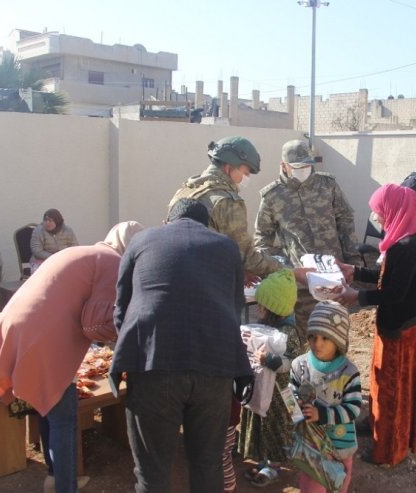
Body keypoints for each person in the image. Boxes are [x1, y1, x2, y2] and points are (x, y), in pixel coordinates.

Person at [0, 221, 144, 493]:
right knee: (64, 418)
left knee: (47, 408)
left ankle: (54, 477)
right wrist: (129, 330)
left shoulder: (87, 252)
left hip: (14, 324)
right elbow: (93, 324)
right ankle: (65, 486)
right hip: (43, 337)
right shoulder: (112, 262)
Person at [110, 199, 253, 493]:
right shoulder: (226, 247)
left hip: (153, 363)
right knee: (208, 464)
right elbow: (235, 308)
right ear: (206, 227)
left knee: (152, 472)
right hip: (215, 367)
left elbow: (121, 312)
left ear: (166, 222)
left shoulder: (141, 241)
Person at [336, 184, 416, 466]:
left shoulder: (405, 247)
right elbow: (392, 278)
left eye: (380, 212)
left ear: (394, 210)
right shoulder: (406, 239)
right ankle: (374, 423)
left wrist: (357, 296)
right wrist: (356, 271)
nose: (378, 218)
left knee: (392, 392)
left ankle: (387, 448)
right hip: (397, 326)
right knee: (381, 382)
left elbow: (394, 292)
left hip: (398, 331)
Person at [255, 139, 362, 342]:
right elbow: (262, 238)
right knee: (308, 338)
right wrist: (280, 273)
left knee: (336, 335)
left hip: (335, 278)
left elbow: (346, 222)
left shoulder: (328, 185)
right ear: (283, 166)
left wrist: (353, 263)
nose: (303, 170)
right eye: (297, 167)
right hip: (302, 285)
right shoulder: (272, 196)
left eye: (307, 165)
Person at [167, 136, 282, 281]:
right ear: (228, 168)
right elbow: (247, 258)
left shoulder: (186, 190)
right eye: (246, 173)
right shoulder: (227, 201)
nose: (247, 178)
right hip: (206, 286)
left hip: (175, 276)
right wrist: (288, 271)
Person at [289, 301, 361, 493]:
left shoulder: (348, 372)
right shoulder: (300, 365)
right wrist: (295, 409)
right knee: (312, 487)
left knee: (338, 484)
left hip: (340, 446)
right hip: (311, 448)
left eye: (325, 338)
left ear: (338, 341)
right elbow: (291, 396)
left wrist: (322, 414)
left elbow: (353, 409)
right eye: (312, 337)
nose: (317, 343)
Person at [239, 269, 302, 487]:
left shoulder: (289, 332)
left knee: (278, 427)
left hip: (282, 395)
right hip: (267, 390)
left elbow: (293, 362)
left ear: (274, 308)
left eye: (262, 305)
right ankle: (264, 458)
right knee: (264, 424)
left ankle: (274, 465)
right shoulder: (270, 327)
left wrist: (271, 361)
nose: (258, 308)